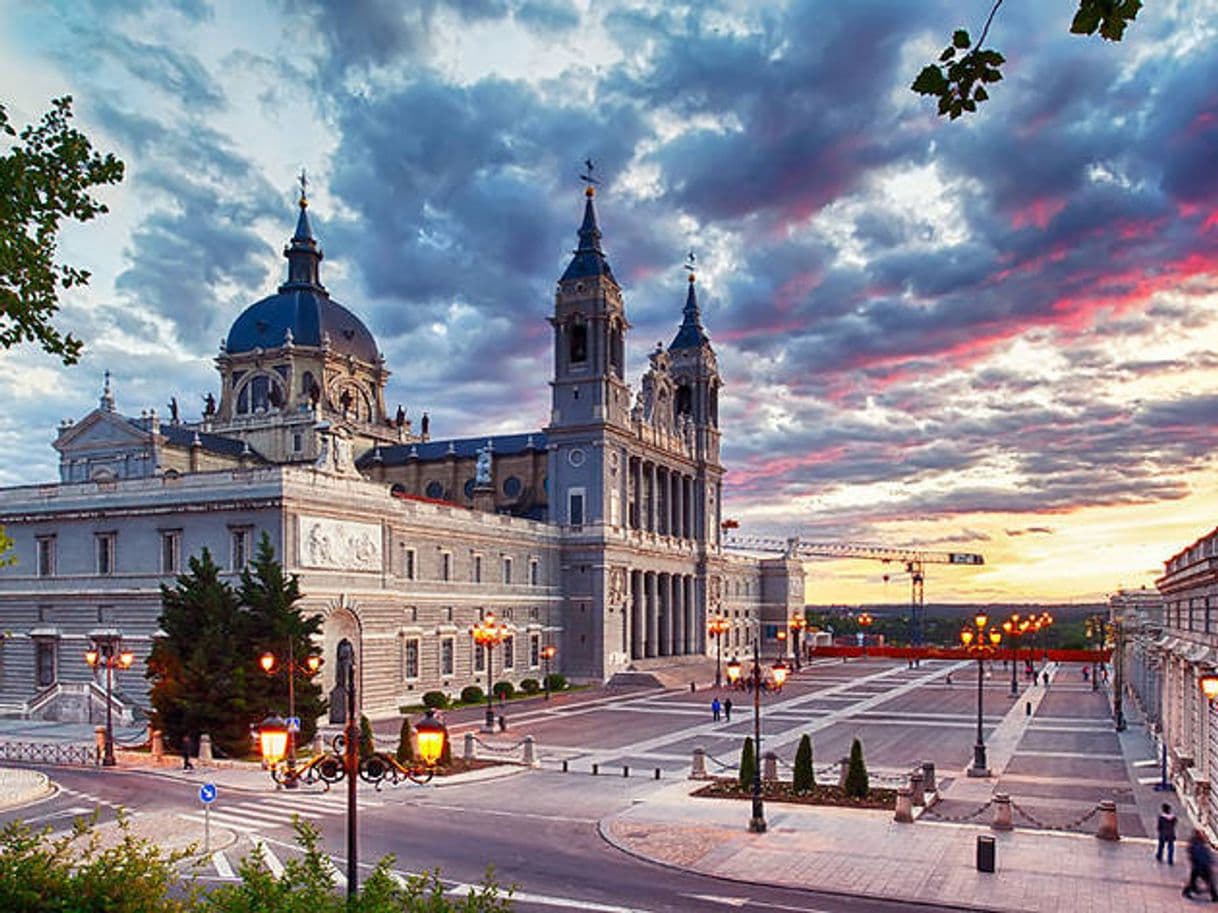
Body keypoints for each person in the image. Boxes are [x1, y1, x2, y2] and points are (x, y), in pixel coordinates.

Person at [1184, 828, 1218, 900]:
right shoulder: (1197, 844)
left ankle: (1187, 891)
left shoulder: (1199, 843)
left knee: (1194, 880)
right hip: (1201, 866)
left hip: (1199, 866)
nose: (1204, 835)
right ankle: (1214, 896)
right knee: (1209, 881)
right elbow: (1200, 855)